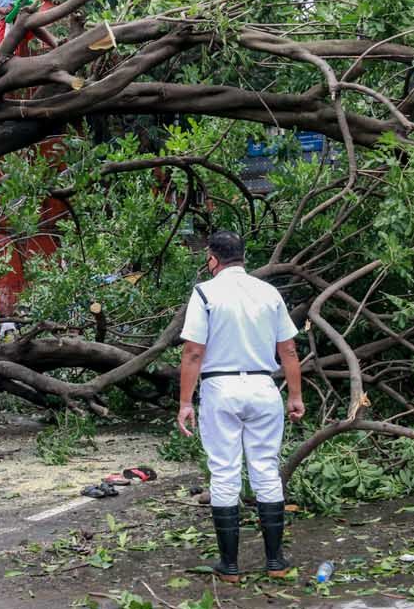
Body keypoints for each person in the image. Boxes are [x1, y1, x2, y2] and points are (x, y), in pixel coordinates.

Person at [176, 231, 305, 582]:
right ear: (242, 256)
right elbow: (289, 350)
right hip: (264, 387)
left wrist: (185, 402)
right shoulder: (269, 293)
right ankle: (275, 561)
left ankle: (230, 565)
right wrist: (295, 396)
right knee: (265, 469)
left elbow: (193, 352)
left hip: (221, 387)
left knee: (225, 472)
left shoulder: (205, 292)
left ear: (212, 258)